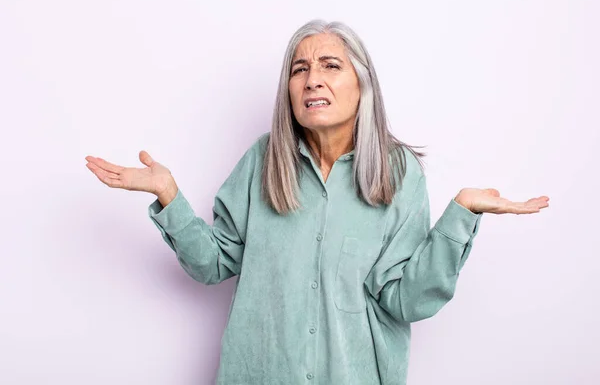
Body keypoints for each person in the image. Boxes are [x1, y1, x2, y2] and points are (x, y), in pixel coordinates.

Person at [85, 19, 549, 385]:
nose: (312, 80)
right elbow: (213, 263)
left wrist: (460, 216)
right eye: (299, 68)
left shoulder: (398, 173)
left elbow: (406, 300)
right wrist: (168, 194)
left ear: (362, 84)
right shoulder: (263, 160)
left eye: (331, 65)